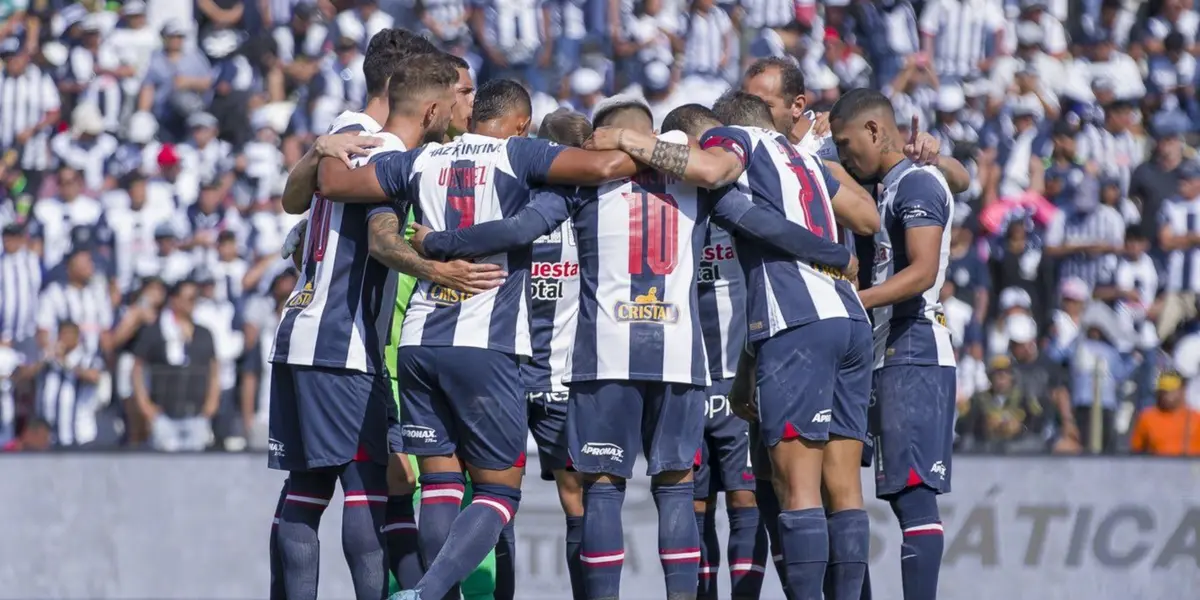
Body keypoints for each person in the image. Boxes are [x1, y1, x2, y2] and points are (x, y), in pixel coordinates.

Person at [401, 95, 862, 600]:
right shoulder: (698, 185)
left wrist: (438, 242)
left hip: (606, 353)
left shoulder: (584, 182)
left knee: (602, 491)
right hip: (680, 355)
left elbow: (519, 229)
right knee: (676, 492)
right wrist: (833, 252)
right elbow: (764, 226)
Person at [316, 80, 640, 600]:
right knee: (496, 492)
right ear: (519, 122)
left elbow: (332, 184)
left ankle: (431, 593)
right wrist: (649, 148)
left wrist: (322, 148)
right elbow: (604, 168)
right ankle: (428, 593)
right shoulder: (520, 152)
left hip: (420, 341)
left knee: (440, 488)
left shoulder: (422, 159)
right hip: (485, 344)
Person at [577, 93, 876, 600]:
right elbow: (867, 217)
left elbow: (713, 173)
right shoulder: (801, 156)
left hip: (796, 321)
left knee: (796, 490)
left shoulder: (728, 141)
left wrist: (631, 138)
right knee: (844, 491)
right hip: (848, 317)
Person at [265, 50, 467, 600]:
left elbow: (298, 198)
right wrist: (435, 263)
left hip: (300, 332)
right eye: (455, 99)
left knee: (306, 489)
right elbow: (377, 233)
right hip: (340, 342)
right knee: (366, 488)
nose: (458, 109)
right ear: (428, 107)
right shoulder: (380, 147)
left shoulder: (346, 137)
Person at [829, 87, 957, 600]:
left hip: (916, 347)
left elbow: (924, 272)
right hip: (881, 350)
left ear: (876, 131)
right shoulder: (886, 185)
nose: (843, 155)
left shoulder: (918, 182)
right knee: (837, 488)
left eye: (846, 143)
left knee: (913, 498)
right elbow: (962, 178)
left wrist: (853, 301)